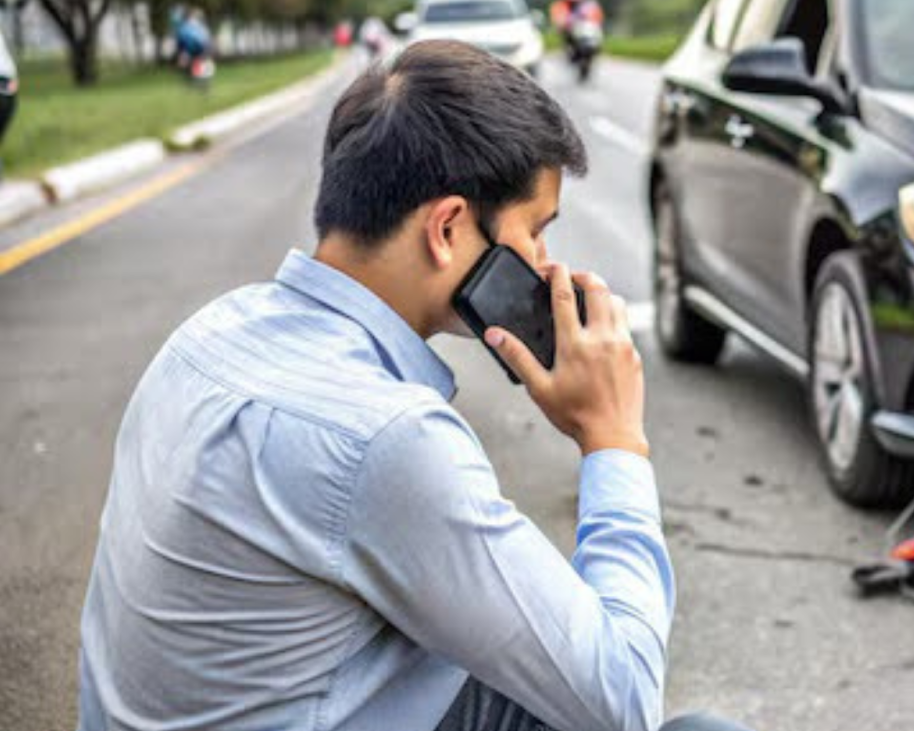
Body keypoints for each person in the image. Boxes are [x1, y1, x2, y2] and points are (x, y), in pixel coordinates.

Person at [76, 40, 747, 731]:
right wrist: (613, 439)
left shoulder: (205, 334)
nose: (546, 266)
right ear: (448, 227)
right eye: (535, 233)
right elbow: (624, 700)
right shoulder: (385, 437)